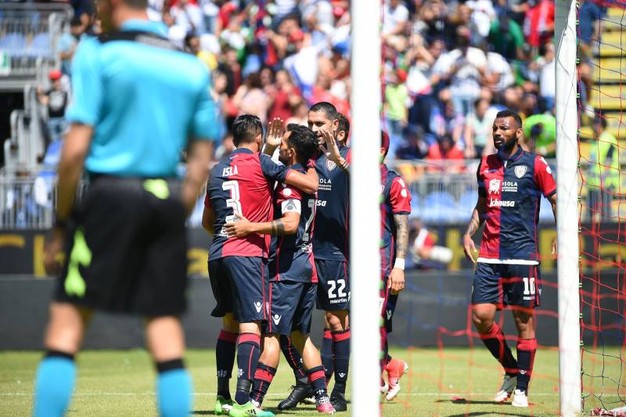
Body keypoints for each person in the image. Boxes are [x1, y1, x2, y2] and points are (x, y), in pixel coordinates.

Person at [34, 0, 218, 415]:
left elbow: (73, 151)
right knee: (165, 330)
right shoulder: (190, 65)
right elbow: (201, 157)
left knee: (66, 327)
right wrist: (177, 205)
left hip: (110, 195)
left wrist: (62, 222)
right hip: (165, 198)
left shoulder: (99, 52)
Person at [202, 115, 318, 417]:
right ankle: (243, 403)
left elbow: (206, 221)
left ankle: (222, 397)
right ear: (258, 139)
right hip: (247, 254)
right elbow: (309, 185)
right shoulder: (262, 164)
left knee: (227, 325)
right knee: (250, 326)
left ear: (232, 140)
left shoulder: (215, 171)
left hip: (217, 253)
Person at [223, 123, 335, 414]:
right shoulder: (311, 173)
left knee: (270, 337)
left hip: (286, 269)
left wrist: (250, 226)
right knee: (300, 336)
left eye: (284, 144)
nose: (281, 147)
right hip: (307, 268)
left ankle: (253, 401)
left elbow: (289, 223)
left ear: (292, 150)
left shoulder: (289, 185)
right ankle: (324, 400)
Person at [462, 109, 557, 408]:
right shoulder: (485, 165)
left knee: (523, 323)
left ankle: (522, 389)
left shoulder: (535, 164)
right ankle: (512, 370)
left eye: (503, 128)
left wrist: (564, 234)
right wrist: (468, 233)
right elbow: (482, 204)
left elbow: (558, 199)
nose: (497, 133)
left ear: (518, 132)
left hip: (523, 256)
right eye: (494, 128)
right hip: (490, 256)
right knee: (481, 317)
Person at [277, 102, 351, 412]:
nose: (314, 128)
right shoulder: (307, 162)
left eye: (320, 122)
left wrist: (338, 159)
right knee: (284, 327)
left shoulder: (348, 161)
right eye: (310, 122)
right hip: (301, 255)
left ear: (336, 126)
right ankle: (305, 380)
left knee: (336, 320)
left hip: (333, 254)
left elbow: (372, 189)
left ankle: (338, 392)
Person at [378, 131, 411, 400]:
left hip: (382, 266)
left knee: (375, 325)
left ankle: (386, 368)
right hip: (351, 263)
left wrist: (399, 265)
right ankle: (391, 365)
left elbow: (401, 226)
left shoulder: (392, 181)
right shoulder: (352, 178)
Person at [586, 113, 619, 223]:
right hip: (593, 182)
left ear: (600, 125)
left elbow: (608, 161)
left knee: (606, 213)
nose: (593, 127)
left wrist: (603, 180)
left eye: (595, 124)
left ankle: (608, 237)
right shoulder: (596, 140)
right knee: (590, 213)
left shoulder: (608, 139)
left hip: (605, 182)